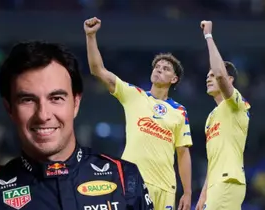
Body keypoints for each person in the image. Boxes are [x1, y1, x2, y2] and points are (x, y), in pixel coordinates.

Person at [0, 41, 154, 210]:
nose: (43, 115)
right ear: (9, 109)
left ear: (76, 103)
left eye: (56, 98)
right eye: (28, 100)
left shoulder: (123, 177)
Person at [84, 17, 193, 210]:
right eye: (157, 67)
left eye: (166, 69)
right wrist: (90, 36)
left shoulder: (179, 111)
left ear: (174, 79)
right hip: (133, 181)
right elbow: (97, 70)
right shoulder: (134, 95)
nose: (159, 69)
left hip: (166, 186)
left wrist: (187, 191)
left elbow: (183, 153)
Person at [195, 21, 251, 210]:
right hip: (215, 185)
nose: (208, 77)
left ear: (230, 80)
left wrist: (208, 36)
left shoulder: (236, 104)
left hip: (229, 181)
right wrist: (202, 197)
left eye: (213, 75)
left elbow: (220, 74)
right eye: (207, 75)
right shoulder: (211, 117)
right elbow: (213, 162)